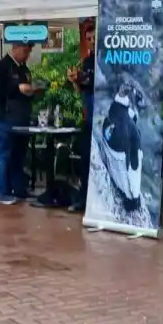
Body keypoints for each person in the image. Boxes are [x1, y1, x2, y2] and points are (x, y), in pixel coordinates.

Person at [0, 41, 39, 204]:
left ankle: (19, 190)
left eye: (29, 51)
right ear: (15, 48)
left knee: (19, 155)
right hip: (5, 118)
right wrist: (17, 88)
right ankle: (2, 192)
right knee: (4, 154)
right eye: (25, 50)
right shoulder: (1, 67)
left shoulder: (24, 69)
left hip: (22, 119)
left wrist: (33, 91)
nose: (27, 55)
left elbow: (26, 90)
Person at [67, 48, 95, 213]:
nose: (92, 41)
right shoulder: (87, 61)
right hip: (89, 119)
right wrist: (75, 80)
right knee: (85, 159)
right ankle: (84, 199)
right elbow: (80, 90)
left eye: (94, 37)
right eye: (89, 38)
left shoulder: (110, 57)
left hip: (107, 119)